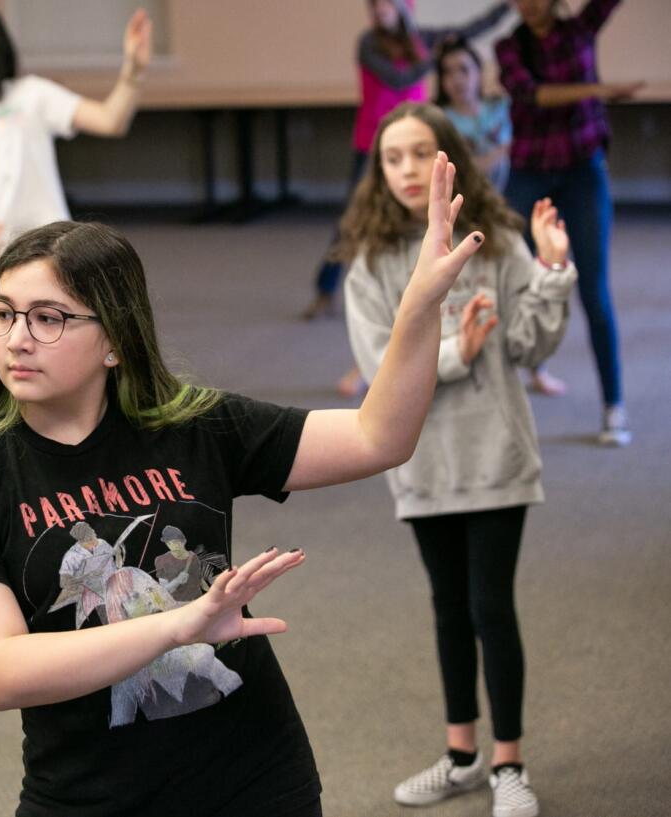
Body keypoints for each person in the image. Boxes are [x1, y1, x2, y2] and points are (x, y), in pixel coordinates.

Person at [0, 147, 490, 815]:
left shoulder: (195, 425)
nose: (16, 338)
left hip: (256, 778)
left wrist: (421, 305)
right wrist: (177, 625)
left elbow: (381, 436)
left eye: (48, 317)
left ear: (114, 341)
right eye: (5, 312)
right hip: (88, 796)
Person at [341, 102, 576, 817]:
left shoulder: (493, 240)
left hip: (494, 455)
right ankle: (462, 754)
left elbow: (533, 345)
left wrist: (554, 270)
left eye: (421, 154)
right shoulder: (375, 262)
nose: (408, 170)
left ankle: (509, 761)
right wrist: (455, 351)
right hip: (419, 462)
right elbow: (379, 367)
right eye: (392, 158)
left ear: (452, 160)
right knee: (448, 610)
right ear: (377, 172)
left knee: (489, 607)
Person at [0, 2, 152, 388]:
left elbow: (111, 120)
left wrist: (134, 70)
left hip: (60, 264)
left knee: (79, 376)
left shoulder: (30, 94)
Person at [303, 0, 510, 324]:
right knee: (352, 217)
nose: (378, 11)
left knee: (421, 217)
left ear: (403, 6)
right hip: (373, 142)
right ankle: (325, 290)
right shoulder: (368, 43)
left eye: (385, 4)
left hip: (414, 142)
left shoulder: (421, 39)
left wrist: (505, 7)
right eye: (373, 6)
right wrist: (435, 56)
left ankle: (417, 292)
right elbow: (399, 79)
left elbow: (470, 30)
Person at [496, 0, 642, 446]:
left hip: (583, 171)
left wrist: (591, 91)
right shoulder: (509, 48)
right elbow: (532, 94)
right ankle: (505, 395)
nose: (530, 4)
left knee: (594, 290)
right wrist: (594, 89)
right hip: (529, 173)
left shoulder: (580, 31)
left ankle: (613, 407)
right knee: (505, 280)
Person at [435, 35, 566, 397]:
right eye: (448, 72)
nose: (457, 79)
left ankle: (537, 367)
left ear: (479, 72)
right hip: (466, 220)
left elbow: (523, 146)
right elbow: (464, 168)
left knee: (522, 286)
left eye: (464, 69)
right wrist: (500, 153)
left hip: (511, 213)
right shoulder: (441, 120)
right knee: (454, 292)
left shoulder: (502, 108)